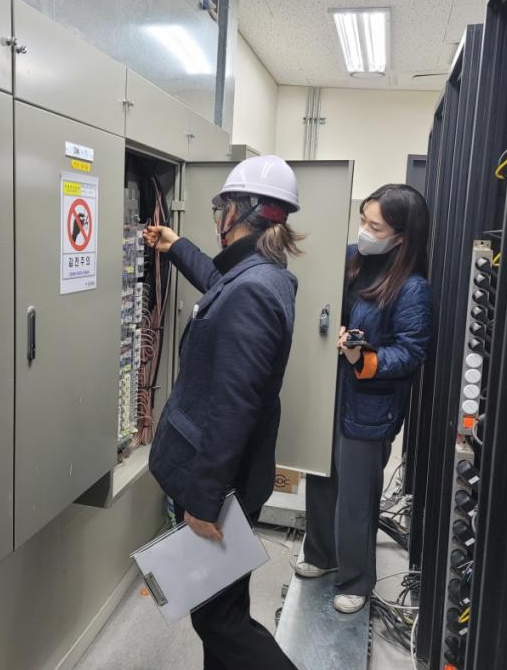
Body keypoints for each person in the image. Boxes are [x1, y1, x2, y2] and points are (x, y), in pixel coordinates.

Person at [143, 155, 303, 670]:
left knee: (219, 620)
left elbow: (235, 406)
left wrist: (204, 501)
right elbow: (220, 283)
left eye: (221, 207)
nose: (218, 216)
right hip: (231, 479)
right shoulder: (263, 276)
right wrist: (176, 247)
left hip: (221, 486)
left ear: (237, 212)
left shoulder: (252, 292)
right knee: (222, 604)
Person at [297, 183, 433, 614]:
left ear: (401, 237)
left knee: (355, 497)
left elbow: (411, 352)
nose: (365, 232)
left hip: (369, 404)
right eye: (363, 220)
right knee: (321, 478)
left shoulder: (411, 288)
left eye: (375, 227)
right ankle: (321, 554)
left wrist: (364, 356)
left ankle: (357, 580)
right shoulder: (351, 261)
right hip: (331, 391)